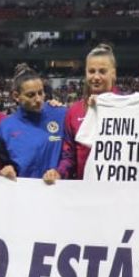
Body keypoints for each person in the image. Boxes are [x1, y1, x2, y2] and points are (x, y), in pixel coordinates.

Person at [46, 44, 118, 183]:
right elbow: (69, 156)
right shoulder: (74, 111)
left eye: (102, 71)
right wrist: (59, 172)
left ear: (113, 73)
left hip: (121, 192)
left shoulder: (127, 106)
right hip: (86, 193)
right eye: (91, 71)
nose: (96, 77)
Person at [0, 66, 68, 179]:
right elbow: (3, 163)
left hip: (56, 189)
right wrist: (6, 169)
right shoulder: (5, 127)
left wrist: (60, 171)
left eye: (40, 93)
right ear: (16, 96)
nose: (38, 99)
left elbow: (71, 154)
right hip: (23, 191)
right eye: (31, 95)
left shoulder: (60, 114)